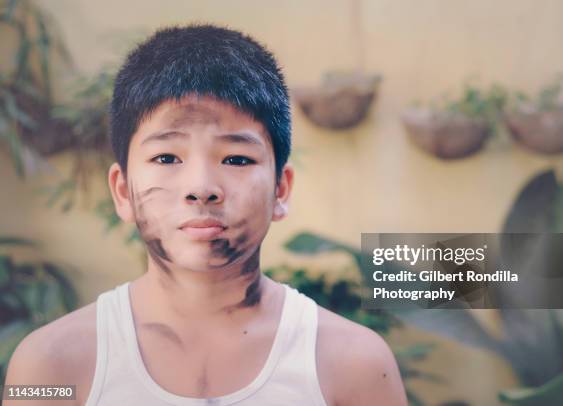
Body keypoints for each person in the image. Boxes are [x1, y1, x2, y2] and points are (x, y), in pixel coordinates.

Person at [5, 24, 408, 406]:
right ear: (123, 190)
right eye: (167, 157)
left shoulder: (356, 365)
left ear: (280, 190)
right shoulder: (50, 366)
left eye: (236, 158)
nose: (201, 187)